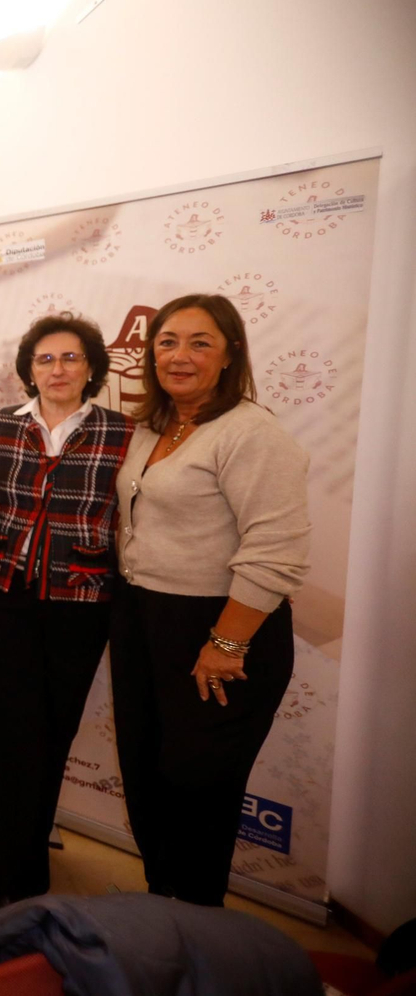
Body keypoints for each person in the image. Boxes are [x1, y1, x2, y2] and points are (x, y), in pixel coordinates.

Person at [112, 293, 309, 906]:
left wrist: (225, 644)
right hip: (146, 619)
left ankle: (196, 929)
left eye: (200, 343)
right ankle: (162, 908)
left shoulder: (251, 432)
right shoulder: (155, 425)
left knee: (198, 790)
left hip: (219, 630)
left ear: (231, 355)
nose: (180, 356)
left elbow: (277, 549)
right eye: (167, 342)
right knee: (146, 777)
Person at [0, 314, 134, 916]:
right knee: (15, 731)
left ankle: (32, 841)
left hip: (81, 599)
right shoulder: (1, 424)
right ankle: (15, 878)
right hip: (2, 593)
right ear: (28, 369)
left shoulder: (124, 433)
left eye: (70, 358)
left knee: (55, 731)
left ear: (91, 367)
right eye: (46, 359)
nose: (58, 369)